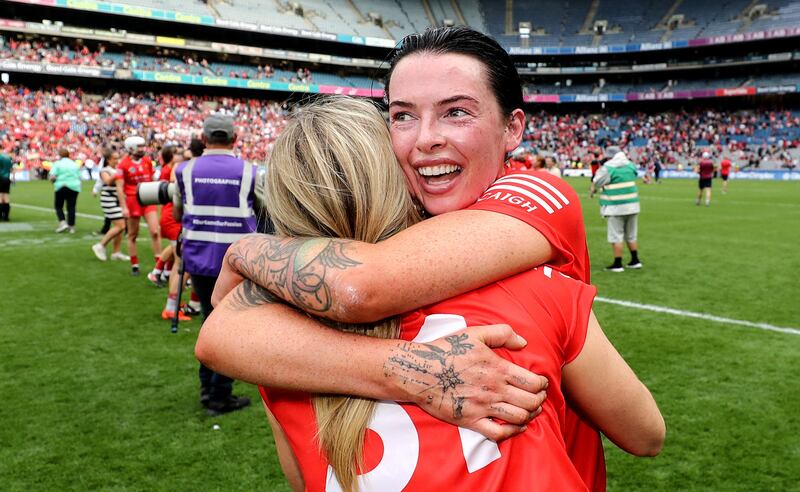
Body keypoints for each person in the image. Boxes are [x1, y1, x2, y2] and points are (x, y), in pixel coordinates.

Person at [199, 26, 606, 490]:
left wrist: (247, 250)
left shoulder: (535, 192)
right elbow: (219, 335)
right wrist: (411, 372)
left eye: (456, 112)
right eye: (403, 116)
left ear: (512, 127)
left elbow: (362, 286)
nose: (426, 138)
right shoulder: (403, 240)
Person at [173, 114, 259, 415]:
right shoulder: (249, 171)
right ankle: (219, 395)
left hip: (198, 258)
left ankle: (210, 389)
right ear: (234, 139)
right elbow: (262, 212)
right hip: (237, 261)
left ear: (204, 138)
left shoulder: (184, 170)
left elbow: (176, 213)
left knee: (210, 320)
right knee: (230, 325)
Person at [589, 150, 642, 272]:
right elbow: (634, 174)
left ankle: (618, 263)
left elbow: (597, 181)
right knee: (631, 235)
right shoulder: (630, 165)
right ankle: (635, 260)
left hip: (615, 206)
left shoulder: (608, 167)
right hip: (633, 204)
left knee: (616, 235)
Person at [117, 135, 161, 275]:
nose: (143, 149)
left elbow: (153, 177)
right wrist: (123, 206)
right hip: (132, 200)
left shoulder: (147, 160)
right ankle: (134, 264)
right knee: (132, 234)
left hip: (148, 198)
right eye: (140, 146)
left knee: (155, 231)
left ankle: (158, 265)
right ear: (131, 148)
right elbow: (119, 187)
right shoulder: (123, 164)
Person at [91, 149, 129, 261]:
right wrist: (120, 173)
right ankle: (100, 245)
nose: (118, 160)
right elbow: (108, 182)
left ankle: (116, 252)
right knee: (120, 225)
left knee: (120, 227)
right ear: (108, 160)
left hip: (119, 200)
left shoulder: (118, 169)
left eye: (118, 158)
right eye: (115, 158)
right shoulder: (105, 170)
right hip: (109, 200)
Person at [50, 148, 81, 234]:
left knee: (58, 206)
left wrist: (52, 181)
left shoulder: (58, 164)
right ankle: (72, 227)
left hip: (61, 186)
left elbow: (52, 176)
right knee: (71, 207)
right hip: (74, 186)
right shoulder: (74, 164)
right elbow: (79, 176)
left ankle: (62, 222)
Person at [0, 151, 13, 222]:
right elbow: (11, 169)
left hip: (0, 178)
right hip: (7, 179)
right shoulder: (8, 158)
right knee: (6, 197)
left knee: (0, 198)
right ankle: (6, 217)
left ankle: (1, 216)